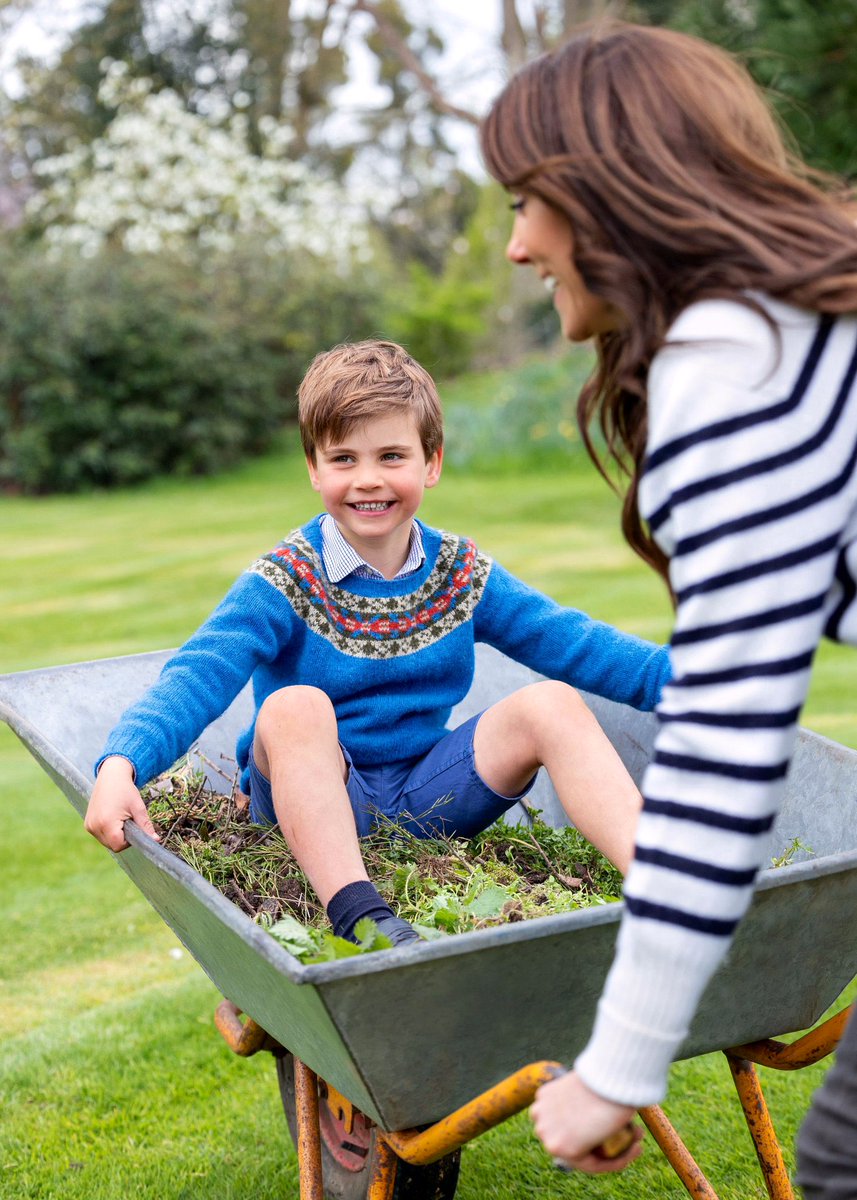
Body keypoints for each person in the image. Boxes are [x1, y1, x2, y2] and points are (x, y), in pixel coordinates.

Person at [480, 18, 857, 1190]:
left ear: (601, 197)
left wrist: (615, 1065)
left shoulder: (730, 363)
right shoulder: (801, 321)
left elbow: (721, 753)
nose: (513, 248)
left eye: (523, 204)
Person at [86, 338, 670, 955]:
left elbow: (575, 643)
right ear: (313, 468)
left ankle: (664, 889)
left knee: (551, 702)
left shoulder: (459, 572)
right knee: (292, 706)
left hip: (427, 796)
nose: (368, 480)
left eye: (392, 455)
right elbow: (198, 672)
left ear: (431, 463)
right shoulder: (286, 578)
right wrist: (121, 764)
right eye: (343, 458)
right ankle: (361, 916)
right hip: (309, 802)